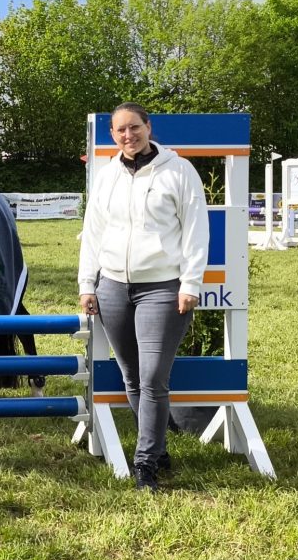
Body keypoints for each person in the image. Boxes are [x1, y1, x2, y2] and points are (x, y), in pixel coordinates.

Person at [78, 102, 209, 492]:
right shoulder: (107, 175)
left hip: (162, 287)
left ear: (148, 127)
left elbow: (195, 231)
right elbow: (94, 231)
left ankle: (145, 464)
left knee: (153, 377)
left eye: (134, 127)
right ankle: (159, 447)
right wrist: (88, 284)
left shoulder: (179, 171)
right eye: (119, 131)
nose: (128, 136)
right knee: (132, 377)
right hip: (113, 286)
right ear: (112, 135)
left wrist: (191, 284)